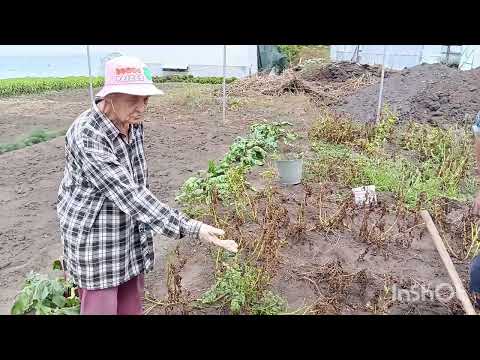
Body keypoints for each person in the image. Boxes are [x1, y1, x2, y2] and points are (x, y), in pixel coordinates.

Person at [56, 56, 238, 315]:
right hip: (95, 237)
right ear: (110, 96)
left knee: (131, 305)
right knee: (102, 307)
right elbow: (130, 194)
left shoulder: (131, 122)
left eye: (146, 99)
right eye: (134, 98)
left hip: (128, 231)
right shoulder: (88, 135)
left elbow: (137, 182)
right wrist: (191, 227)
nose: (141, 107)